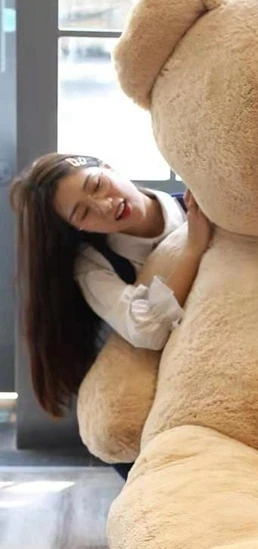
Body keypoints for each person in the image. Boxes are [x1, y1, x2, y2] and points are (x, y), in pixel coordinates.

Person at [10, 152, 213, 479]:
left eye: (97, 185)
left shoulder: (198, 203)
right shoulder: (94, 264)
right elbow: (146, 330)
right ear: (77, 228)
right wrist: (192, 249)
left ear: (108, 167)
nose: (104, 206)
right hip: (162, 399)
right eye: (83, 213)